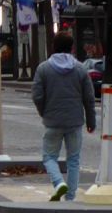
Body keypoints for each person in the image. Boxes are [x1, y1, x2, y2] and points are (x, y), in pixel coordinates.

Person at [32, 31, 96, 201]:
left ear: (53, 47)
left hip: (52, 121)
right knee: (73, 160)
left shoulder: (43, 68)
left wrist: (44, 112)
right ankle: (70, 196)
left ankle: (59, 182)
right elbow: (89, 98)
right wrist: (91, 121)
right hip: (75, 121)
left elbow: (37, 96)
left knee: (49, 157)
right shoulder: (81, 69)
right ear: (72, 48)